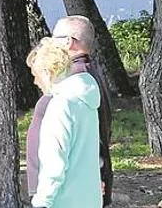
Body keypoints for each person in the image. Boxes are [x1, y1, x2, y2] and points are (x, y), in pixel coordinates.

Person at [32, 15, 114, 208]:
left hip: (62, 198)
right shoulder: (86, 84)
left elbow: (55, 160)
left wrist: (42, 201)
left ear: (68, 42)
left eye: (54, 38)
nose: (49, 43)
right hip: (84, 195)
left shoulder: (65, 99)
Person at [24, 42, 67, 200]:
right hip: (43, 182)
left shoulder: (60, 99)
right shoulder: (54, 97)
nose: (35, 81)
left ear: (47, 72)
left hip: (50, 188)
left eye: (36, 75)